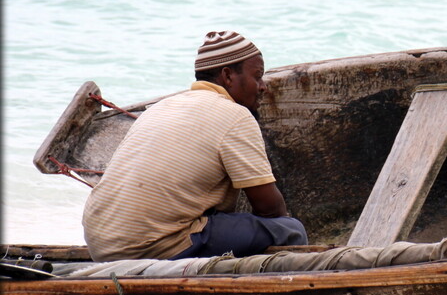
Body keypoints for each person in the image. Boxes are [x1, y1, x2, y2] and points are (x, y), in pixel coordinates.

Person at [83, 31, 307, 262]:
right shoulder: (236, 115)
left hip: (101, 245)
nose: (263, 87)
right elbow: (269, 209)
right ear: (228, 76)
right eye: (257, 77)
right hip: (151, 246)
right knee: (290, 230)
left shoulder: (162, 107)